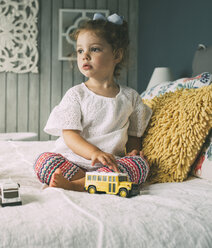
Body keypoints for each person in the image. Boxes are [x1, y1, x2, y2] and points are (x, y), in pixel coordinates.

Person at [34, 13, 152, 192]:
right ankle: (93, 183)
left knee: (140, 164)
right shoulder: (76, 94)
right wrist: (94, 153)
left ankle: (77, 185)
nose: (85, 55)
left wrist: (133, 152)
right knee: (44, 161)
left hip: (111, 164)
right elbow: (70, 135)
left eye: (94, 49)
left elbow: (134, 136)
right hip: (74, 161)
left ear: (117, 55)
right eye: (80, 50)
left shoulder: (131, 97)